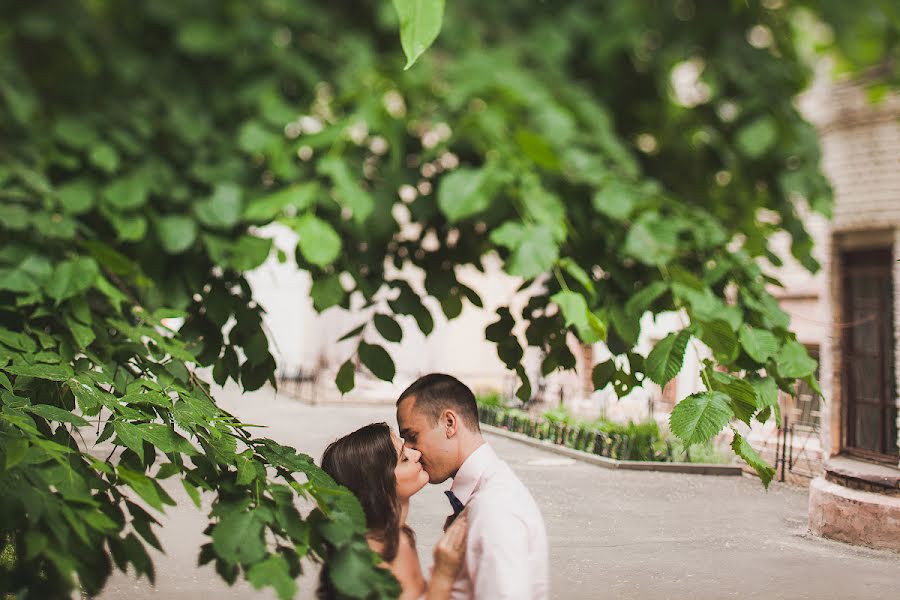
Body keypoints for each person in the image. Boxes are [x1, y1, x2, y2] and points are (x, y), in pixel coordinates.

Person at [396, 373, 549, 600]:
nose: (411, 451)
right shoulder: (486, 497)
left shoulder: (495, 509)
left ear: (449, 423)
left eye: (412, 436)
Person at [318, 422, 467, 600]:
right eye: (404, 458)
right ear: (376, 487)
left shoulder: (401, 535)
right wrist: (443, 574)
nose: (417, 454)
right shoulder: (365, 566)